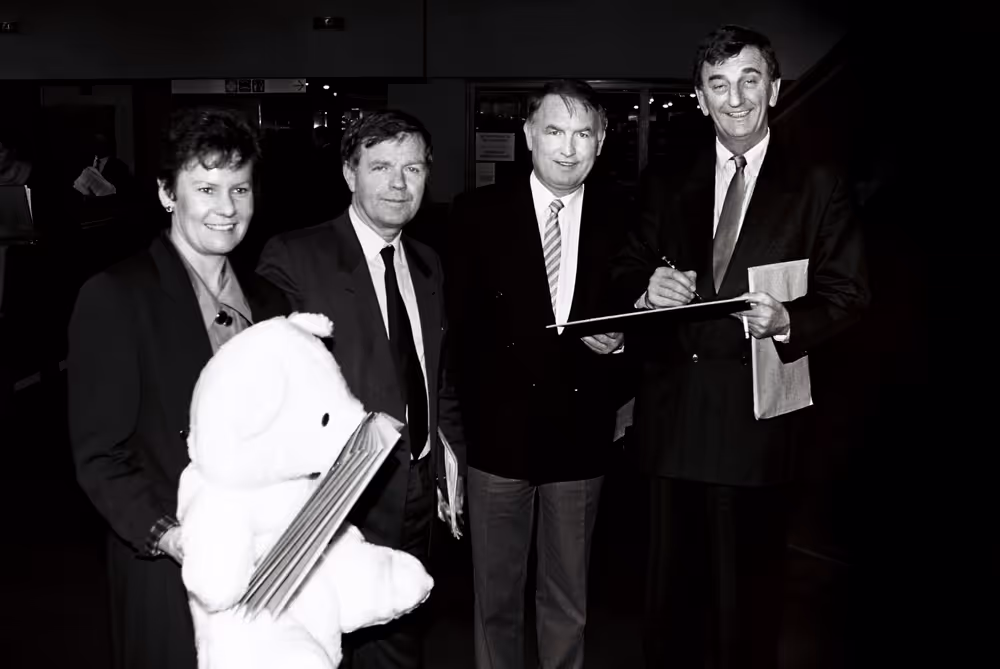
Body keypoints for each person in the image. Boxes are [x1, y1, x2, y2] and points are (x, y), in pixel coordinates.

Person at [610, 25, 869, 668]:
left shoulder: (818, 181)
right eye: (719, 85)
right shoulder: (667, 177)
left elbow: (848, 295)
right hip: (673, 423)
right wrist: (645, 288)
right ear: (700, 98)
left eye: (750, 81)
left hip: (757, 427)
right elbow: (626, 265)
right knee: (670, 610)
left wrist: (786, 320)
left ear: (774, 89)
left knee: (746, 608)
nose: (735, 99)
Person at [67, 107, 289, 669]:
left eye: (240, 188)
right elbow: (100, 457)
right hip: (169, 567)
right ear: (168, 193)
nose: (227, 208)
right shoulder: (117, 296)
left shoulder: (271, 303)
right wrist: (174, 537)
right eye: (206, 188)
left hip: (266, 559)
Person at [256, 109, 466, 669]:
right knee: (320, 646)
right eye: (381, 167)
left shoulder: (427, 263)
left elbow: (437, 375)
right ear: (350, 173)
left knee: (399, 638)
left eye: (412, 169)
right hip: (336, 500)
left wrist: (449, 465)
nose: (399, 184)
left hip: (416, 492)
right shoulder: (296, 257)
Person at [447, 79, 632, 669]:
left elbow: (648, 316)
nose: (568, 149)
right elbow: (459, 331)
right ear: (529, 134)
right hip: (498, 439)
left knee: (568, 601)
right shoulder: (475, 214)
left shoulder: (627, 217)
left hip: (580, 436)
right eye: (554, 131)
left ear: (602, 141)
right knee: (495, 600)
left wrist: (625, 339)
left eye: (583, 134)